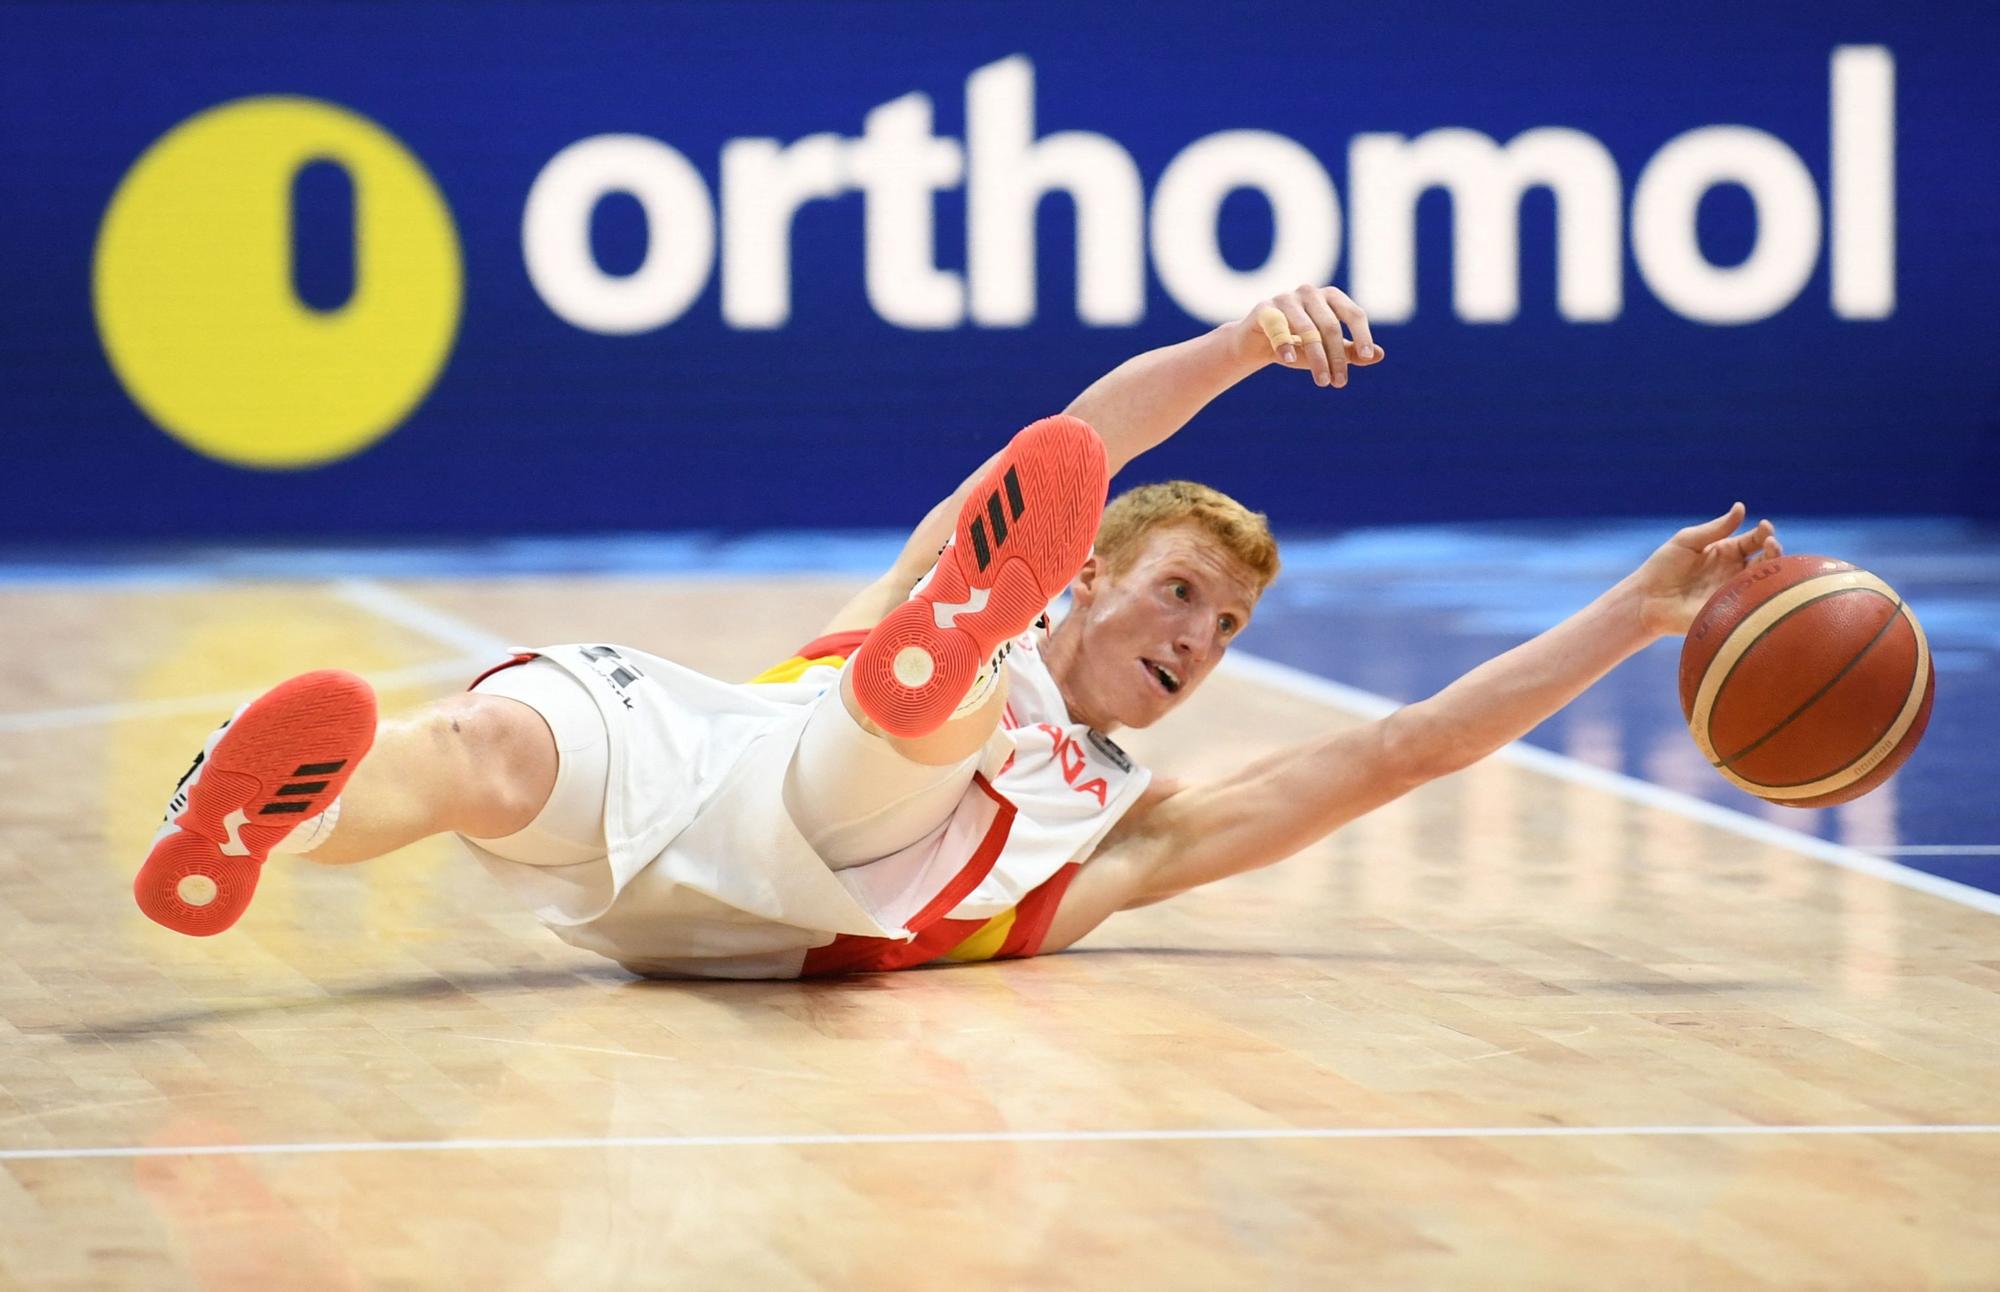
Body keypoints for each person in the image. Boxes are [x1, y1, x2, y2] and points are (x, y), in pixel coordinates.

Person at [136, 285, 1783, 976]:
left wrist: (1636, 616)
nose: (1201, 640)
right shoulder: (979, 581)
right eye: (1178, 594)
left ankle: (934, 685)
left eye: (1221, 630)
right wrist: (1242, 338)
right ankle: (247, 825)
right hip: (719, 758)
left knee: (960, 719)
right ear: (1076, 577)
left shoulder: (1128, 837)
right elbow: (1084, 432)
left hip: (828, 881)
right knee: (484, 751)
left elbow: (1400, 748)